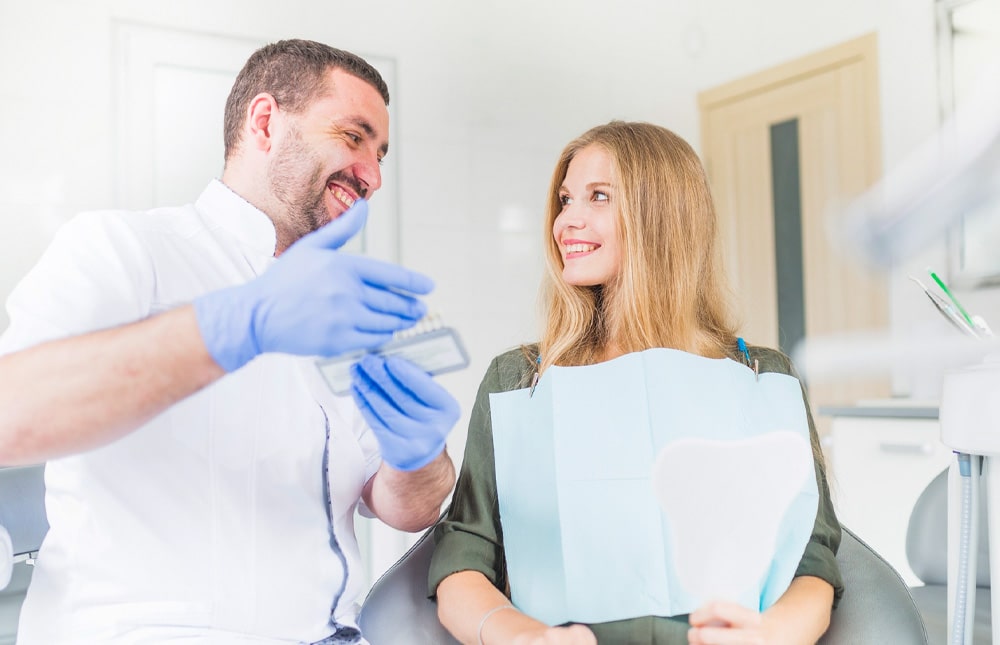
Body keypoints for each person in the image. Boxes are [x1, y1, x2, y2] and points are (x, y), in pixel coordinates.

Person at [0, 39, 459, 644]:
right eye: (354, 137)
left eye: (381, 154)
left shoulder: (345, 308)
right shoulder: (125, 250)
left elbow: (405, 509)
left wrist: (419, 454)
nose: (372, 175)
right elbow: (14, 414)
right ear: (265, 121)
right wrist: (234, 325)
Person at [428, 121, 843, 644]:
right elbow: (464, 557)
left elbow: (812, 557)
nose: (565, 222)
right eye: (564, 200)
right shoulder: (519, 382)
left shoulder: (762, 377)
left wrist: (774, 635)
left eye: (597, 197)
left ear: (663, 215)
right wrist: (520, 637)